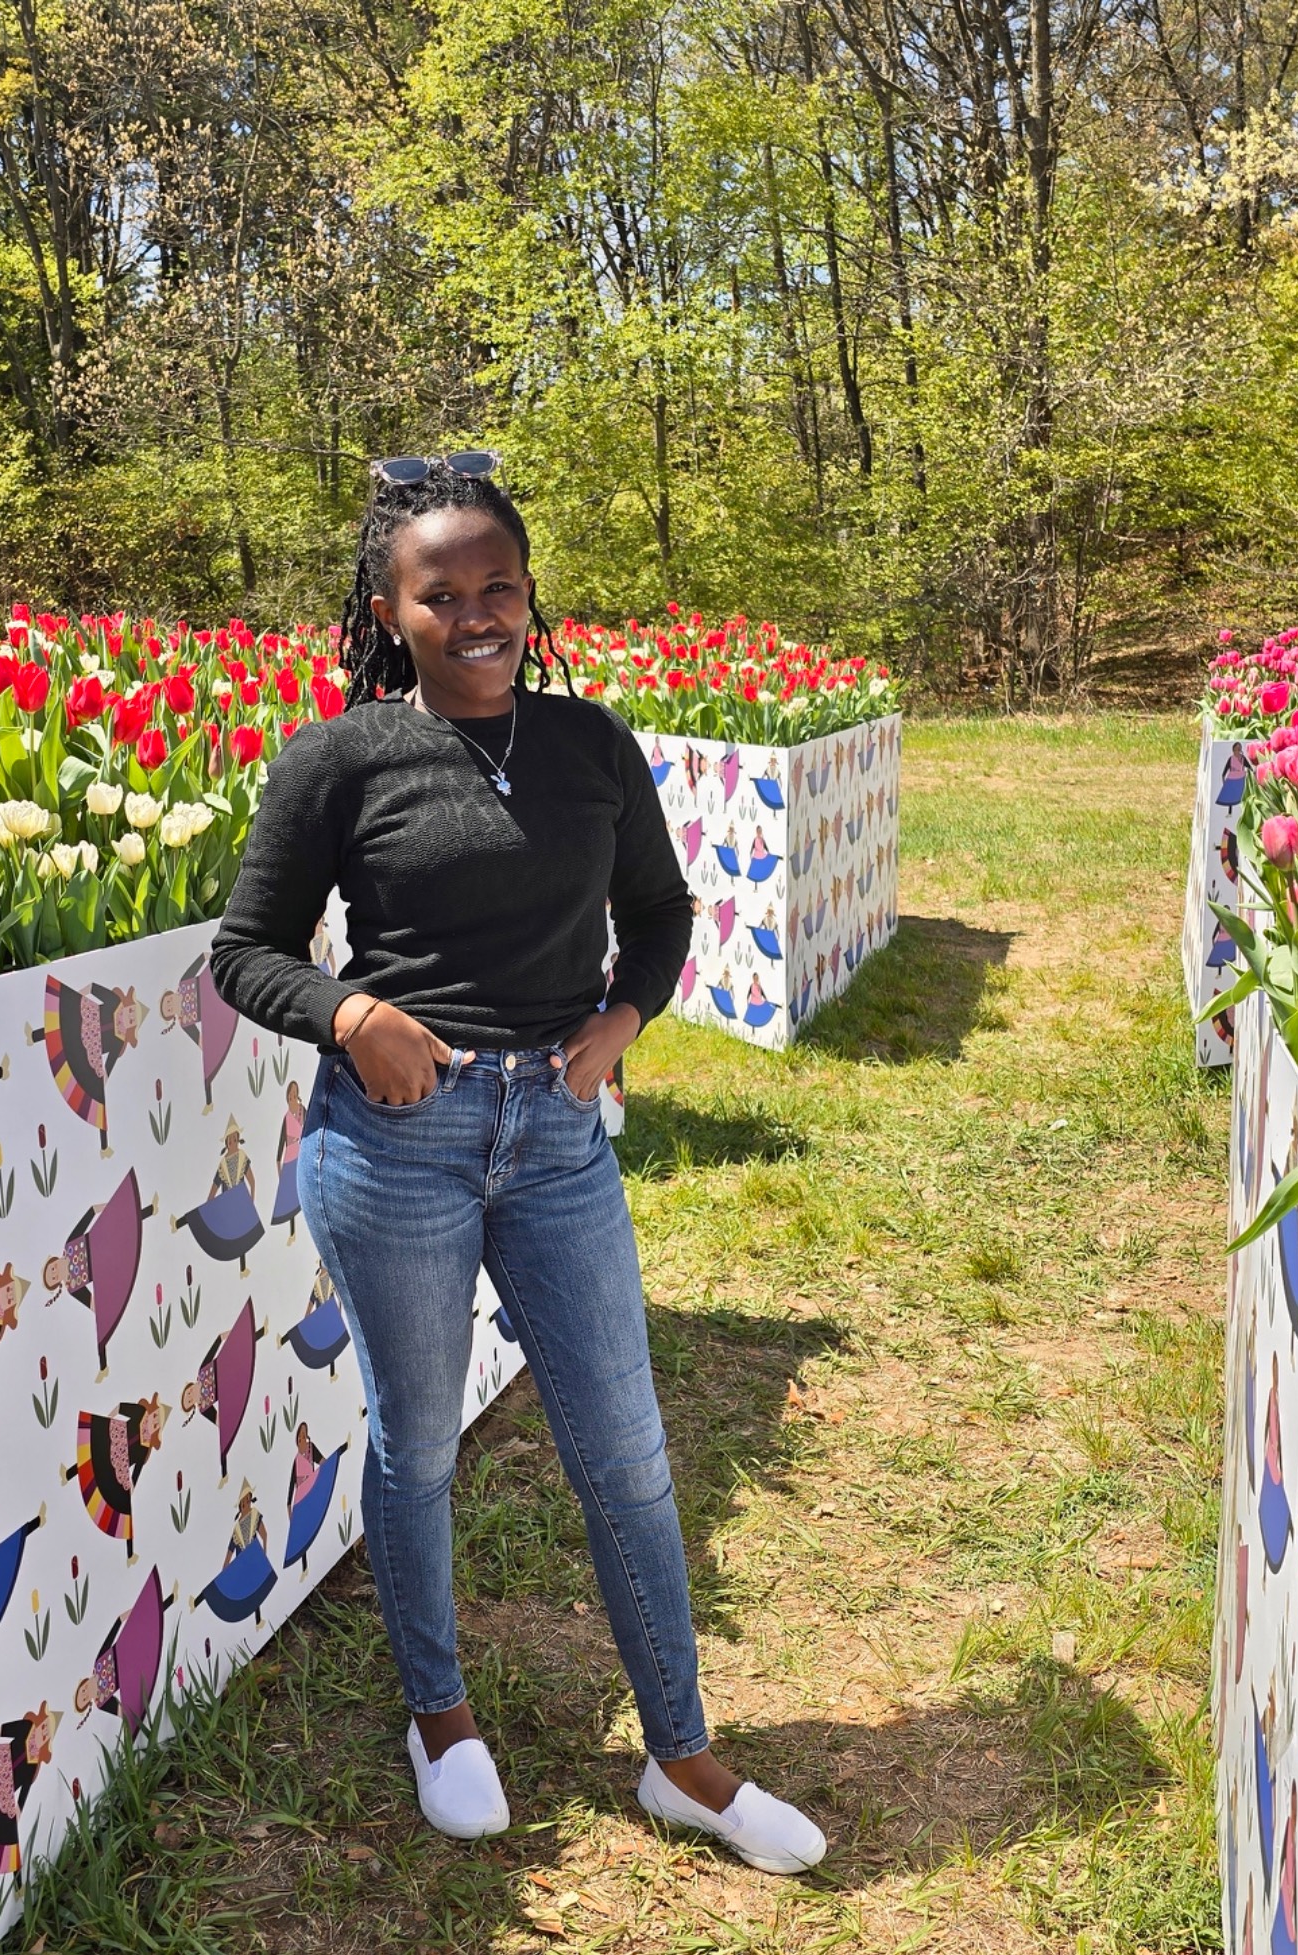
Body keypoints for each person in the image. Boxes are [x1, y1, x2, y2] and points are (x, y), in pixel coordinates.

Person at [210, 453, 825, 1872]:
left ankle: (683, 1756)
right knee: (416, 1444)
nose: (476, 613)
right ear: (391, 608)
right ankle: (442, 1717)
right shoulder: (336, 760)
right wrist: (353, 1013)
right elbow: (243, 955)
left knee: (627, 1450)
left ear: (530, 595)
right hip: (396, 1147)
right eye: (443, 594)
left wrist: (622, 1021)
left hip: (554, 1136)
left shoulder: (591, 743)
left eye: (499, 587)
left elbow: (660, 913)